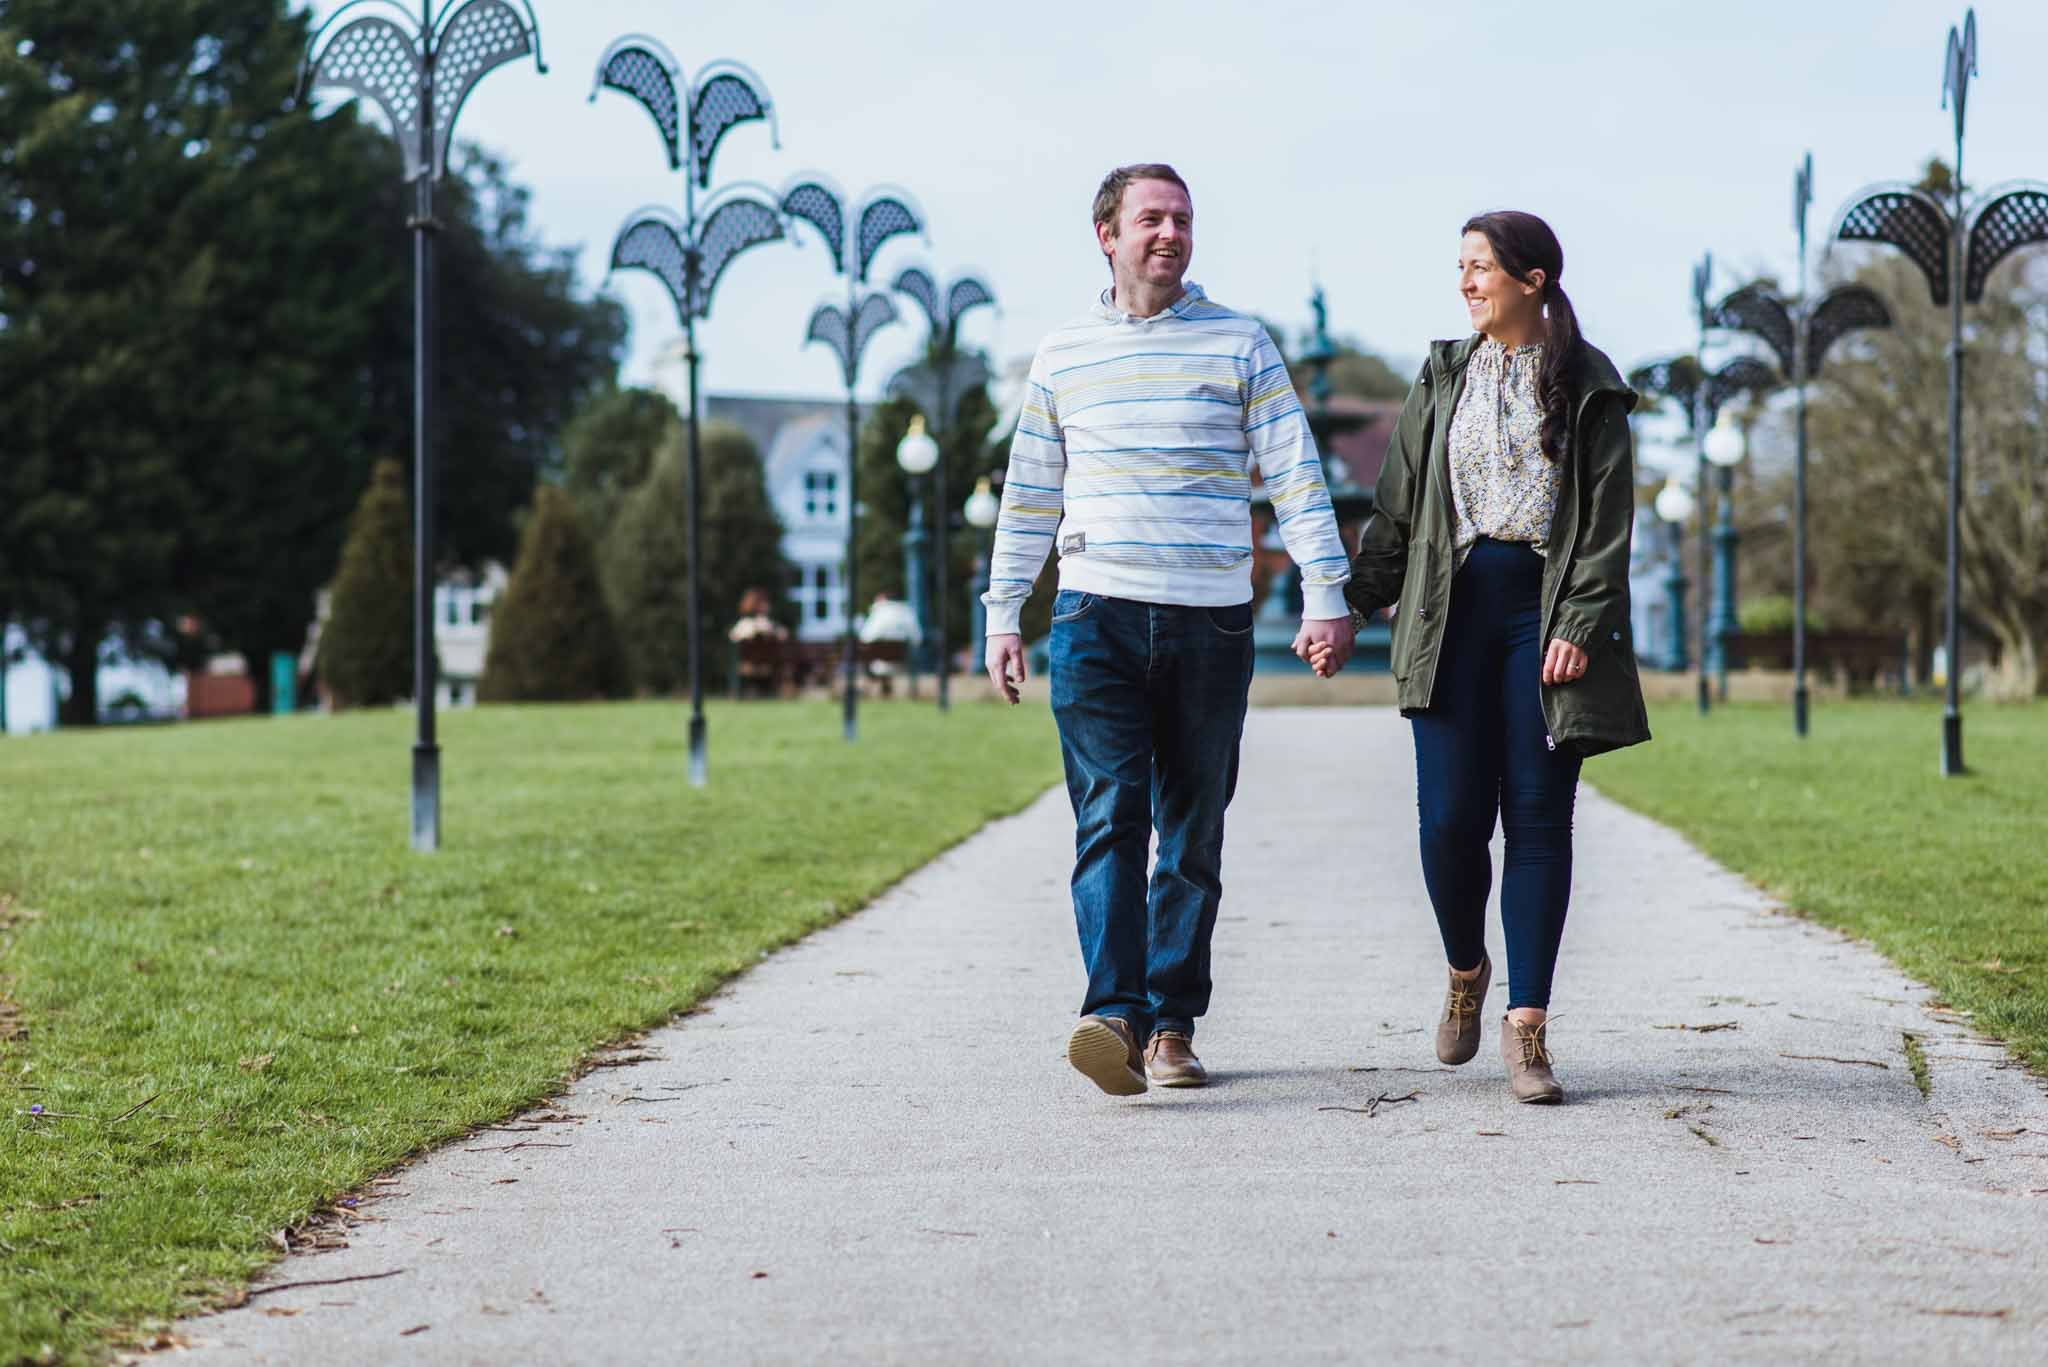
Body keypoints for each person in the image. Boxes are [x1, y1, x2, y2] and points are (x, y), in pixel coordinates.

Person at [983, 163, 1355, 1096]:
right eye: (1151, 218)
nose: (1170, 233)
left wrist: (1325, 590)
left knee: (1191, 828)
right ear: (1105, 234)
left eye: (1182, 218)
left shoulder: (1241, 343)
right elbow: (1028, 492)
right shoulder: (1063, 352)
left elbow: (1297, 473)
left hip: (1211, 623)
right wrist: (1002, 611)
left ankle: (1173, 1023)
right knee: (1110, 812)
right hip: (1093, 612)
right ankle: (1114, 1011)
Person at [1318, 210, 1649, 1104]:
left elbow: (1608, 522)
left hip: (1542, 618)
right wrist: (1342, 605)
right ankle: (1468, 970)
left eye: (1481, 269)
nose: (1466, 283)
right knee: (1448, 823)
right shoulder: (1442, 377)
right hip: (1451, 616)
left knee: (1538, 822)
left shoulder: (1587, 384)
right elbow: (1396, 509)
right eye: (1461, 268)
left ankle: (1528, 1028)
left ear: (1532, 280)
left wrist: (1578, 624)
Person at [728, 588, 788, 699]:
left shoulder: (765, 624)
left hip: (758, 664)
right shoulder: (748, 624)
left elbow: (733, 638)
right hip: (758, 664)